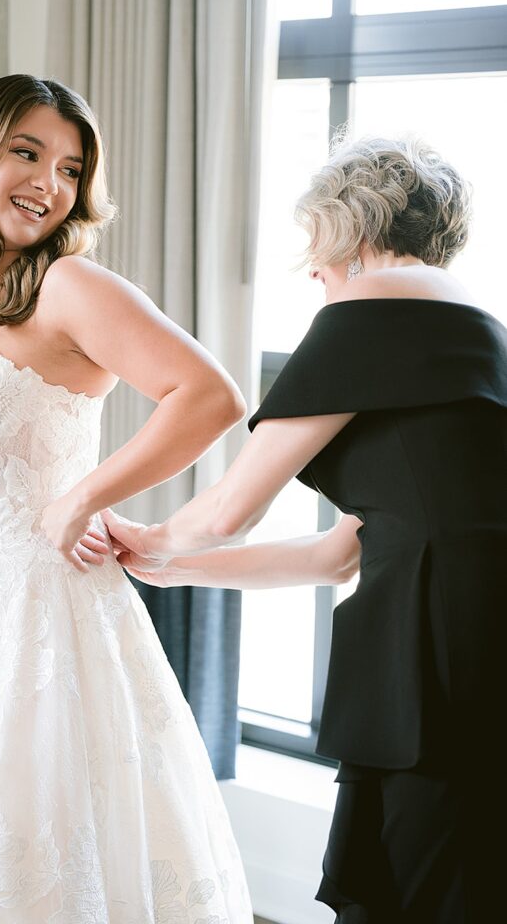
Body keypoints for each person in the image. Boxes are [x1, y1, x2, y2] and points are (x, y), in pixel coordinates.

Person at [0, 74, 254, 923]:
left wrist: (84, 495)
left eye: (69, 168)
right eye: (27, 153)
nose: (49, 184)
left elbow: (211, 395)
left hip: (46, 608)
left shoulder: (71, 286)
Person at [104, 136, 507, 922]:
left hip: (428, 663)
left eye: (313, 251)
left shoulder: (368, 309)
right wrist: (169, 568)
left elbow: (228, 510)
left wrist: (149, 536)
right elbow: (335, 555)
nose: (311, 273)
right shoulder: (481, 336)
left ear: (349, 231)